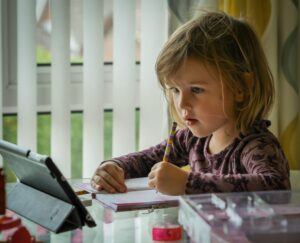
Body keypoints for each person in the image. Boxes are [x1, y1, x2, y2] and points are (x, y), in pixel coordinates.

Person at [91, 11, 291, 195]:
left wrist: (189, 183)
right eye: (175, 90)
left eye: (196, 89)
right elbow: (145, 160)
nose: (182, 103)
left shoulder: (257, 145)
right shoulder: (191, 139)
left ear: (240, 88)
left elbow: (276, 186)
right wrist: (114, 167)